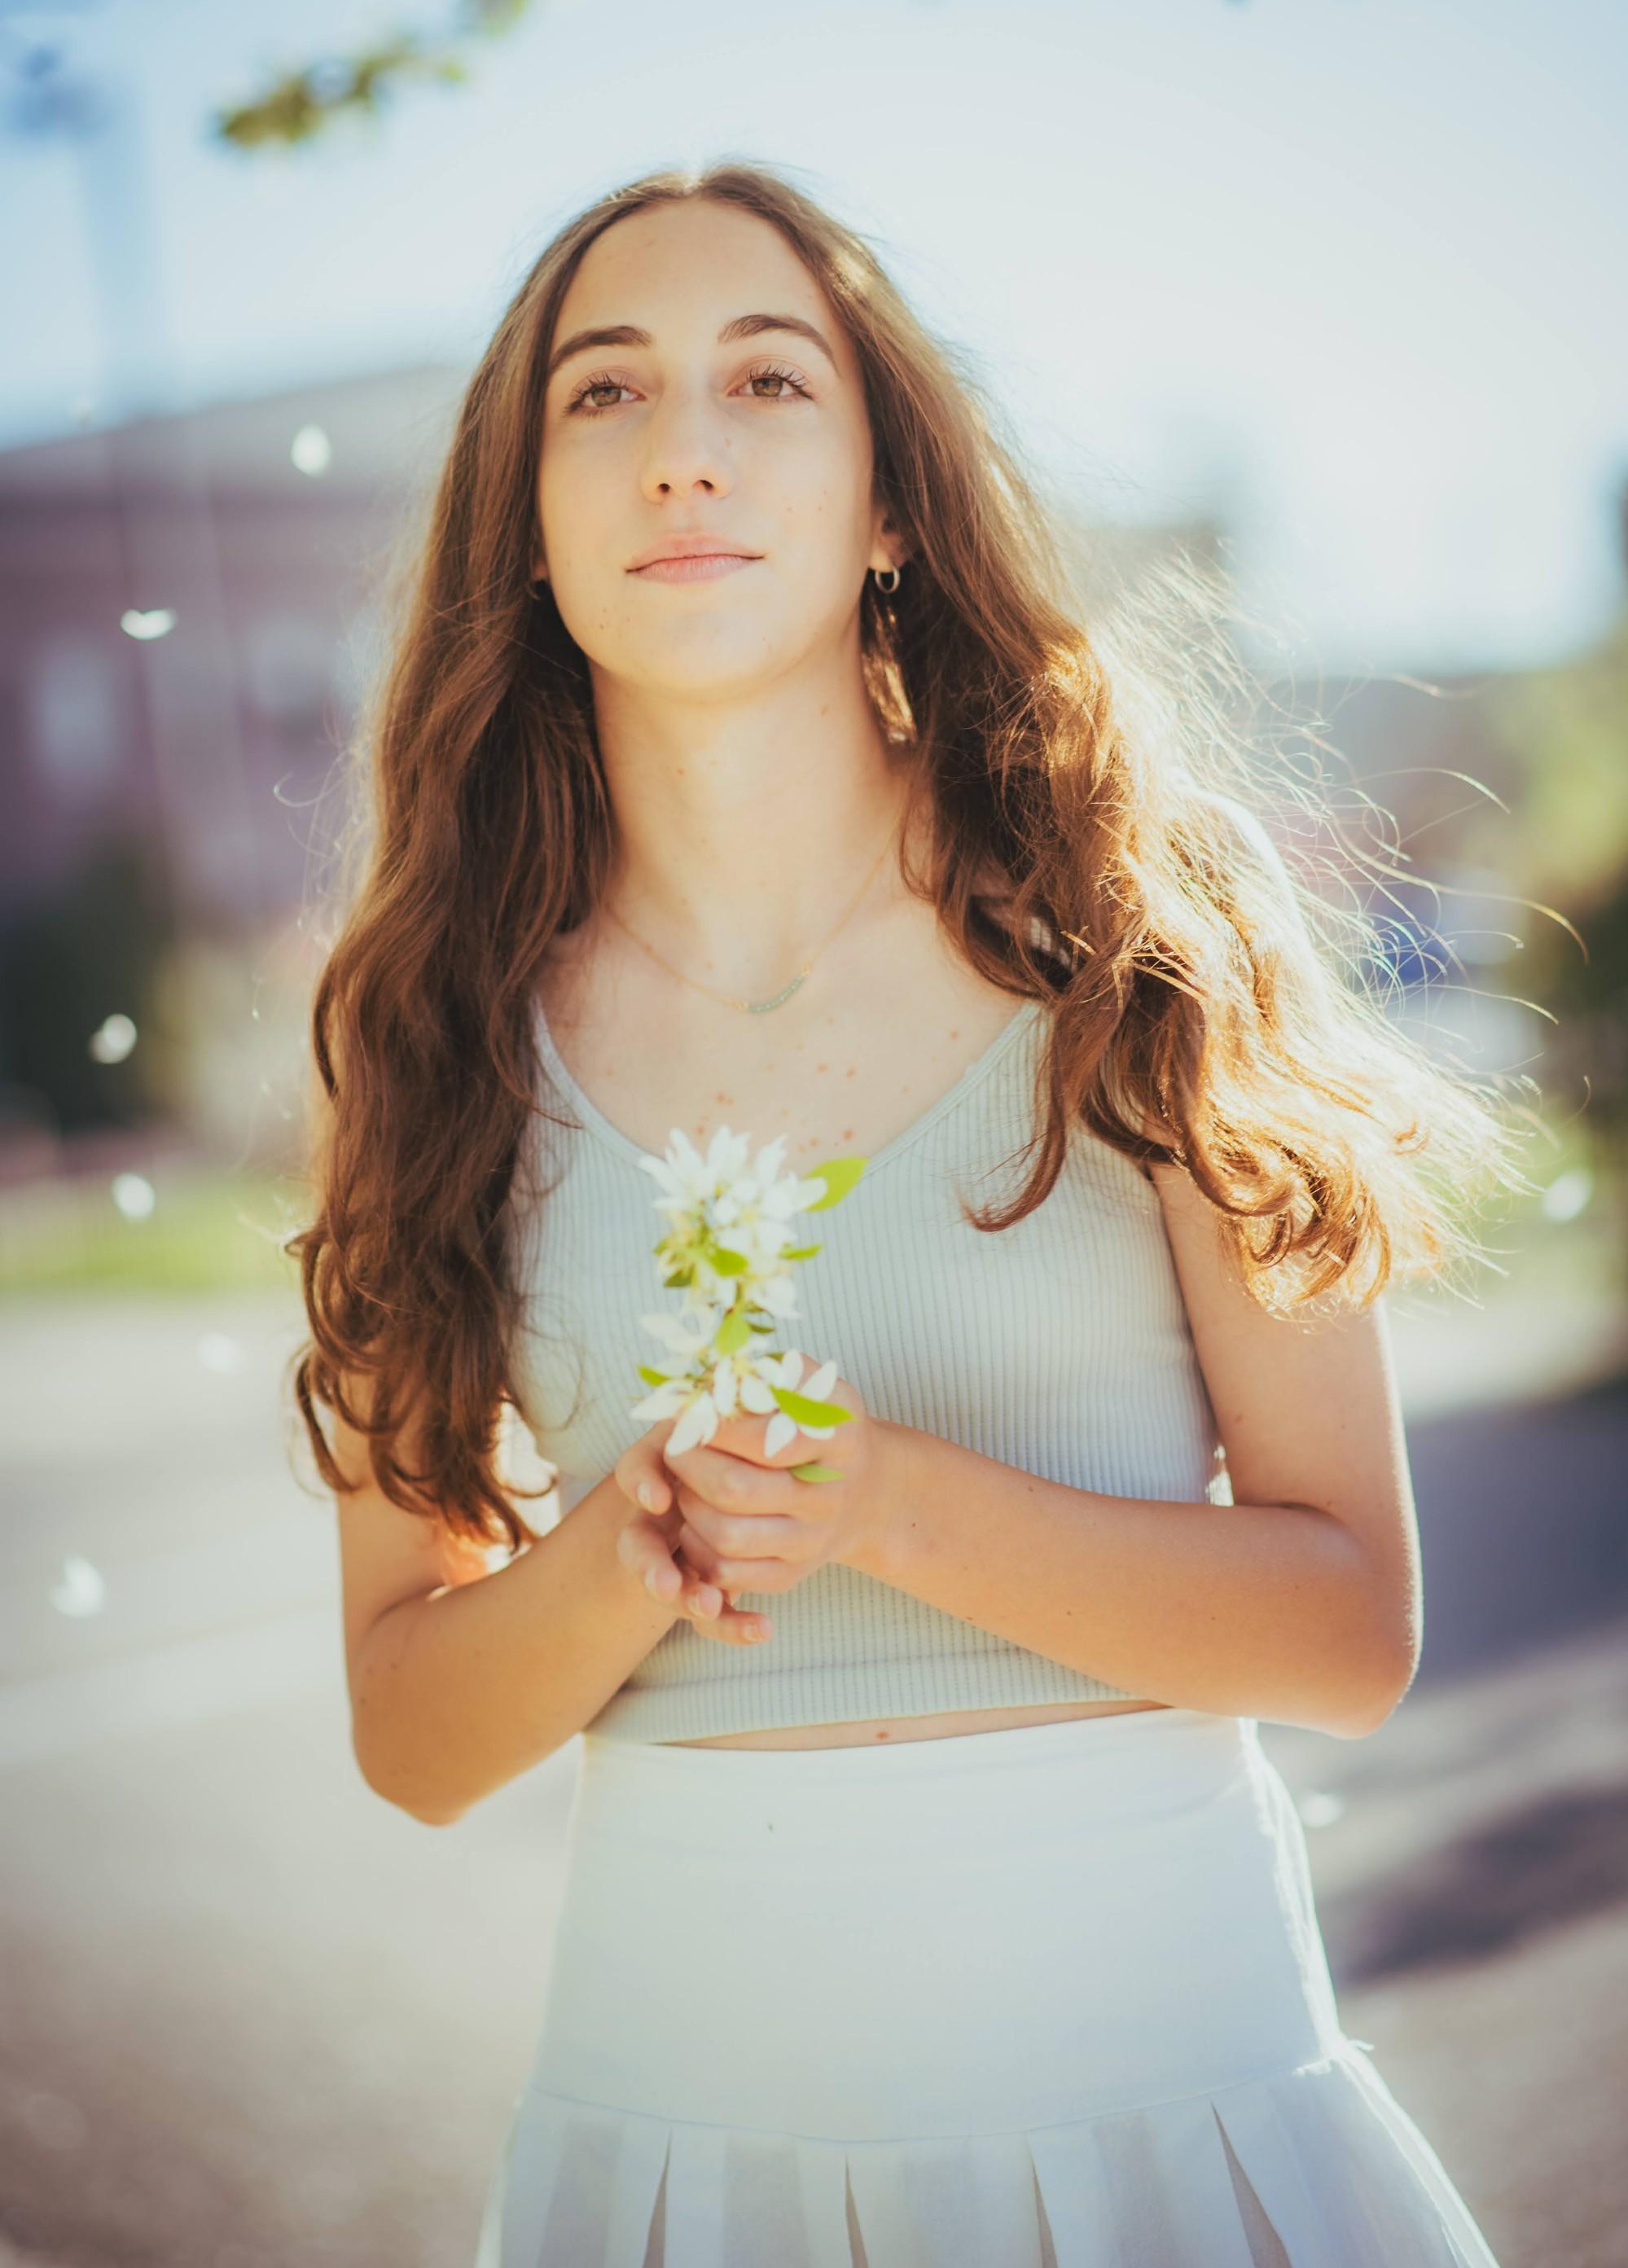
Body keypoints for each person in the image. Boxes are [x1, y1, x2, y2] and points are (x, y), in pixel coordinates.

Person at [291, 160, 1516, 2266]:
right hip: (672, 2151)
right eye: (604, 394)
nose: (683, 442)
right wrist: (620, 1557)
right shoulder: (426, 1038)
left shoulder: (1139, 944)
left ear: (884, 506)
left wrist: (881, 1507)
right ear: (531, 524)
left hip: (1176, 2119)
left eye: (768, 378)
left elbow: (1348, 1631)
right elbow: (411, 1738)